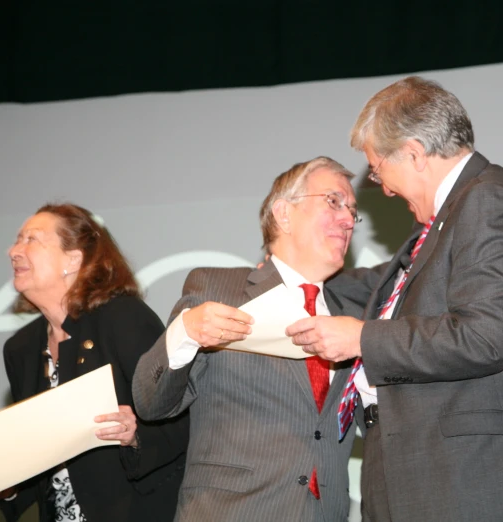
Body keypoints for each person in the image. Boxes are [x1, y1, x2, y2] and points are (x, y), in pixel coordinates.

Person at [287, 77, 503, 521]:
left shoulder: (487, 200)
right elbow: (371, 286)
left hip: (472, 484)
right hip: (431, 481)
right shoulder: (446, 220)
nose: (382, 189)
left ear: (416, 154)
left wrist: (363, 339)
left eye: (379, 171)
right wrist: (280, 271)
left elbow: (483, 337)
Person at [132, 157, 373, 522]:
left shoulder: (353, 319)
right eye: (333, 201)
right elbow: (152, 404)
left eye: (352, 211)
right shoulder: (217, 287)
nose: (346, 219)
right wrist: (185, 331)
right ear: (284, 213)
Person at [0, 203, 188, 522]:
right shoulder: (21, 348)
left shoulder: (123, 318)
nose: (13, 251)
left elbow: (178, 421)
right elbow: (40, 467)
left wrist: (136, 434)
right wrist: (8, 482)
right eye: (17, 239)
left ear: (73, 259)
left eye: (31, 239)